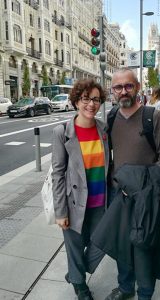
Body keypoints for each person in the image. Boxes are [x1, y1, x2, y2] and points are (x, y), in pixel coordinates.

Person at [104, 68, 160, 300]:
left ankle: (145, 293)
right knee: (122, 246)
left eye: (128, 86)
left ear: (138, 87)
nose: (123, 91)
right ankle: (125, 289)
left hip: (146, 198)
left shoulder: (153, 116)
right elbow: (111, 156)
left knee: (145, 248)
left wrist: (145, 186)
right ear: (112, 90)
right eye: (118, 87)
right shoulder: (111, 117)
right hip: (119, 197)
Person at [51, 79, 109, 300]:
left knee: (102, 243)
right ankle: (80, 286)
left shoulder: (103, 129)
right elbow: (57, 173)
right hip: (74, 203)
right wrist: (60, 211)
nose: (91, 104)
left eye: (95, 99)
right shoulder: (63, 132)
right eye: (85, 99)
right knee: (75, 247)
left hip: (100, 202)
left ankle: (75, 273)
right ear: (76, 101)